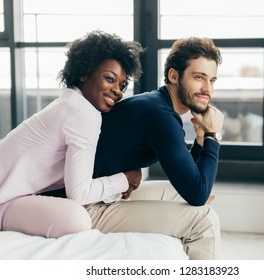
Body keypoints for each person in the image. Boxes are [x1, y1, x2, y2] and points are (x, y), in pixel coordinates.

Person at [0, 30, 144, 238]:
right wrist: (124, 179)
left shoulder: (70, 104)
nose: (118, 91)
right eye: (109, 79)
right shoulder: (83, 113)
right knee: (76, 219)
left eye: (122, 85)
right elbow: (79, 193)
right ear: (83, 74)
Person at [86, 37, 225, 259]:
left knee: (178, 194)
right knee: (204, 220)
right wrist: (212, 136)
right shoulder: (160, 116)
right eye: (199, 77)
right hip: (88, 205)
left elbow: (190, 182)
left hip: (105, 191)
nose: (207, 89)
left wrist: (200, 139)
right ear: (173, 75)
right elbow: (198, 194)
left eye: (212, 80)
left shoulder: (156, 104)